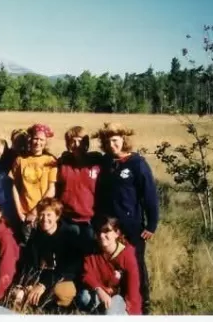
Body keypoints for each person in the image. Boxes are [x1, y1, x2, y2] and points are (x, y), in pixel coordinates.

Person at [94, 122, 159, 315]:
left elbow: (149, 196)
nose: (111, 144)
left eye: (115, 140)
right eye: (107, 141)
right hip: (109, 227)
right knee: (112, 264)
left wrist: (152, 224)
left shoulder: (137, 163)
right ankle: (118, 304)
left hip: (132, 226)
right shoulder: (106, 162)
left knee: (136, 265)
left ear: (124, 140)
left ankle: (143, 306)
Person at [13, 198, 80, 311]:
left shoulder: (68, 235)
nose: (45, 219)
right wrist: (29, 284)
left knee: (60, 292)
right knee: (17, 294)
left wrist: (43, 285)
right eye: (42, 214)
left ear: (57, 216)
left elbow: (67, 269)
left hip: (62, 279)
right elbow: (30, 264)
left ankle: (59, 308)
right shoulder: (35, 237)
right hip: (41, 280)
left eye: (49, 215)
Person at [76, 216, 142, 315]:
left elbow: (133, 290)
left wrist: (133, 313)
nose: (102, 235)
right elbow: (87, 275)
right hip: (101, 292)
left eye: (106, 231)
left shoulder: (127, 255)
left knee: (110, 312)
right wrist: (99, 289)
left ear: (117, 233)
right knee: (84, 297)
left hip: (120, 298)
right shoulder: (92, 250)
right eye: (99, 232)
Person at [56, 126, 102, 254]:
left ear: (87, 143)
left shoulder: (97, 162)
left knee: (89, 256)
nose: (77, 145)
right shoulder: (63, 163)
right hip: (67, 219)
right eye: (72, 141)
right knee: (69, 256)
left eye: (81, 141)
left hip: (90, 220)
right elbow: (56, 188)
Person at [9, 124, 57, 243]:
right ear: (30, 139)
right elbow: (15, 186)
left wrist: (35, 211)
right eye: (35, 138)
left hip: (43, 214)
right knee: (27, 246)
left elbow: (51, 189)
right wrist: (20, 212)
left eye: (41, 140)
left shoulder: (50, 161)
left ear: (46, 142)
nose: (38, 142)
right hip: (24, 214)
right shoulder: (20, 160)